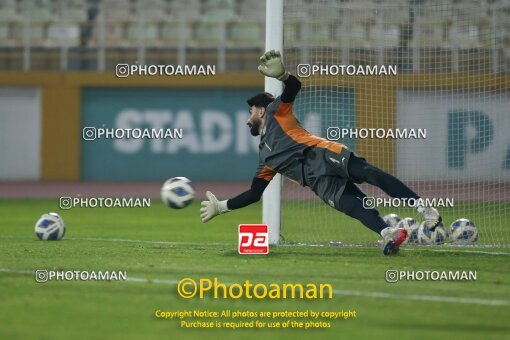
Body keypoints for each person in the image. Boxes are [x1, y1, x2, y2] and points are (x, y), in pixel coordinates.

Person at [200, 50, 441, 255]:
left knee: (370, 174)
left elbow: (293, 87)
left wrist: (284, 76)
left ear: (261, 111)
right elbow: (255, 193)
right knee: (354, 206)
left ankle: (425, 209)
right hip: (318, 182)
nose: (246, 119)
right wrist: (221, 207)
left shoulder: (276, 112)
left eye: (250, 111)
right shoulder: (265, 159)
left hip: (323, 154)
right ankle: (388, 233)